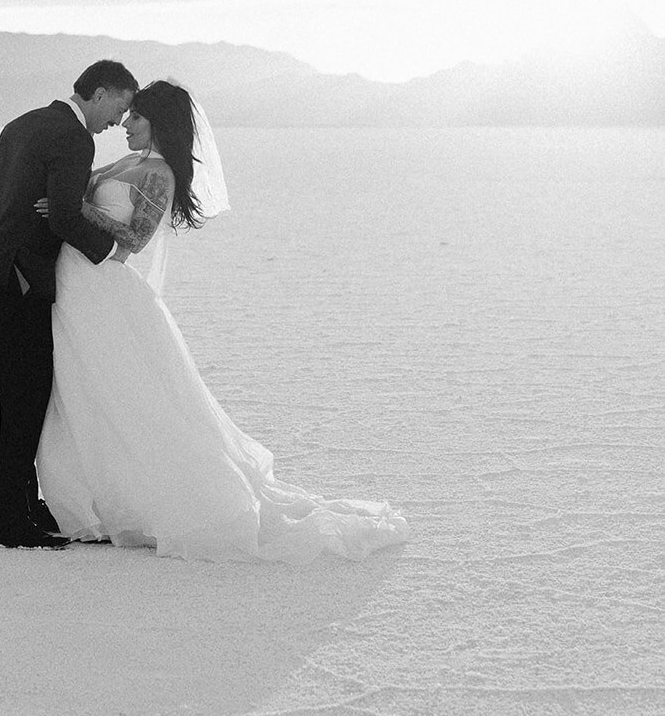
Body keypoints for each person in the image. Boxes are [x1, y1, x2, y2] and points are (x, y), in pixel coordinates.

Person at [34, 80, 410, 562]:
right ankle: (88, 502)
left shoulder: (160, 175)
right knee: (80, 395)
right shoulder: (124, 163)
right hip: (73, 287)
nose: (125, 123)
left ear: (158, 123)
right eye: (126, 115)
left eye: (137, 117)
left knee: (123, 395)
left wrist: (76, 209)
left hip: (102, 291)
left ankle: (153, 502)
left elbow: (134, 240)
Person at [0, 59, 138, 548]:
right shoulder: (73, 137)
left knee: (23, 397)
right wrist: (114, 251)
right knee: (27, 400)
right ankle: (9, 522)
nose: (116, 121)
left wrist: (21, 214)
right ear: (102, 92)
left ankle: (24, 507)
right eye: (120, 107)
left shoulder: (20, 123)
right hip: (23, 280)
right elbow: (65, 218)